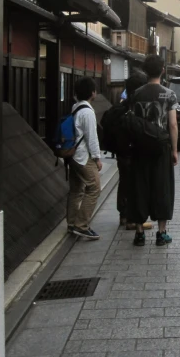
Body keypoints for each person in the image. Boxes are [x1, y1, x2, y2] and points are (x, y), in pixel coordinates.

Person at [128, 55, 178, 247]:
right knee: (162, 187)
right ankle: (161, 233)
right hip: (161, 147)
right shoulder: (169, 94)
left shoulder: (136, 94)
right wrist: (174, 150)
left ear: (145, 71)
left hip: (139, 147)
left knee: (139, 187)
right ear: (162, 70)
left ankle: (139, 233)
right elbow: (172, 125)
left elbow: (131, 121)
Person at [112, 70, 151, 231]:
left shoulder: (120, 107)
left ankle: (124, 216)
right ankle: (132, 219)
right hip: (134, 151)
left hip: (121, 151)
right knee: (136, 184)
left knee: (124, 182)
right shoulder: (138, 108)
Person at [67, 77, 103, 240]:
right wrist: (97, 158)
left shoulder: (75, 107)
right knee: (94, 188)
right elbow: (91, 138)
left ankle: (72, 222)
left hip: (72, 155)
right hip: (83, 157)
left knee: (76, 189)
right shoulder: (87, 112)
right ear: (92, 92)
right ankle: (81, 225)